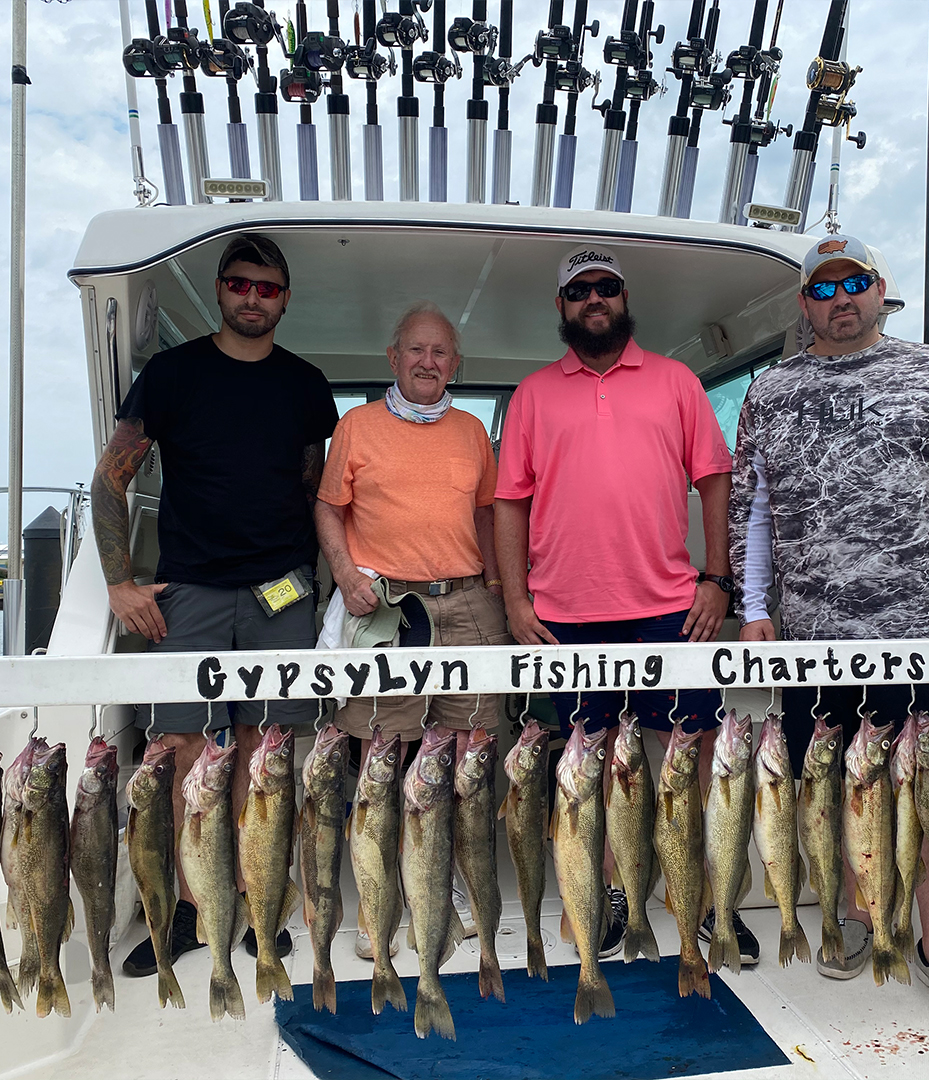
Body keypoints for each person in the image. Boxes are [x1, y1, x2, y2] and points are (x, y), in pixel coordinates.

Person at [729, 234, 929, 1024]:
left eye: (855, 283)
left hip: (924, 630)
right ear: (804, 304)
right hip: (812, 641)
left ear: (880, 290)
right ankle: (857, 915)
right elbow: (751, 512)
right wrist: (756, 612)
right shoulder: (769, 393)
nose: (841, 300)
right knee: (831, 788)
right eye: (824, 289)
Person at [494, 244, 750, 961]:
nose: (594, 300)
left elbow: (715, 482)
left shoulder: (676, 383)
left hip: (672, 606)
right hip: (564, 616)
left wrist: (717, 578)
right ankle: (607, 891)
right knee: (593, 761)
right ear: (562, 307)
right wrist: (517, 601)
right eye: (580, 291)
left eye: (606, 288)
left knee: (691, 751)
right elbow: (509, 504)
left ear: (624, 297)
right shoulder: (533, 395)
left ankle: (699, 893)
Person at [91, 234, 339, 976]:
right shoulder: (172, 374)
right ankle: (195, 910)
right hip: (190, 588)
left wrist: (315, 580)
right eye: (240, 284)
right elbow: (111, 480)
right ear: (221, 289)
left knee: (267, 752)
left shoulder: (305, 384)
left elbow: (310, 484)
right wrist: (119, 582)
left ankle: (254, 895)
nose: (253, 298)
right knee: (188, 749)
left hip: (281, 589)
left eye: (267, 288)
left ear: (285, 299)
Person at [314, 300, 510, 955]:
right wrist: (344, 573)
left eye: (441, 353)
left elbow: (487, 516)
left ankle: (452, 887)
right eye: (416, 351)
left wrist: (497, 590)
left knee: (466, 752)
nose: (428, 362)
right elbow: (328, 508)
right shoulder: (357, 427)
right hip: (388, 609)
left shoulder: (472, 433)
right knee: (383, 754)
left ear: (456, 365)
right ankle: (383, 902)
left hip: (465, 601)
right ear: (393, 359)